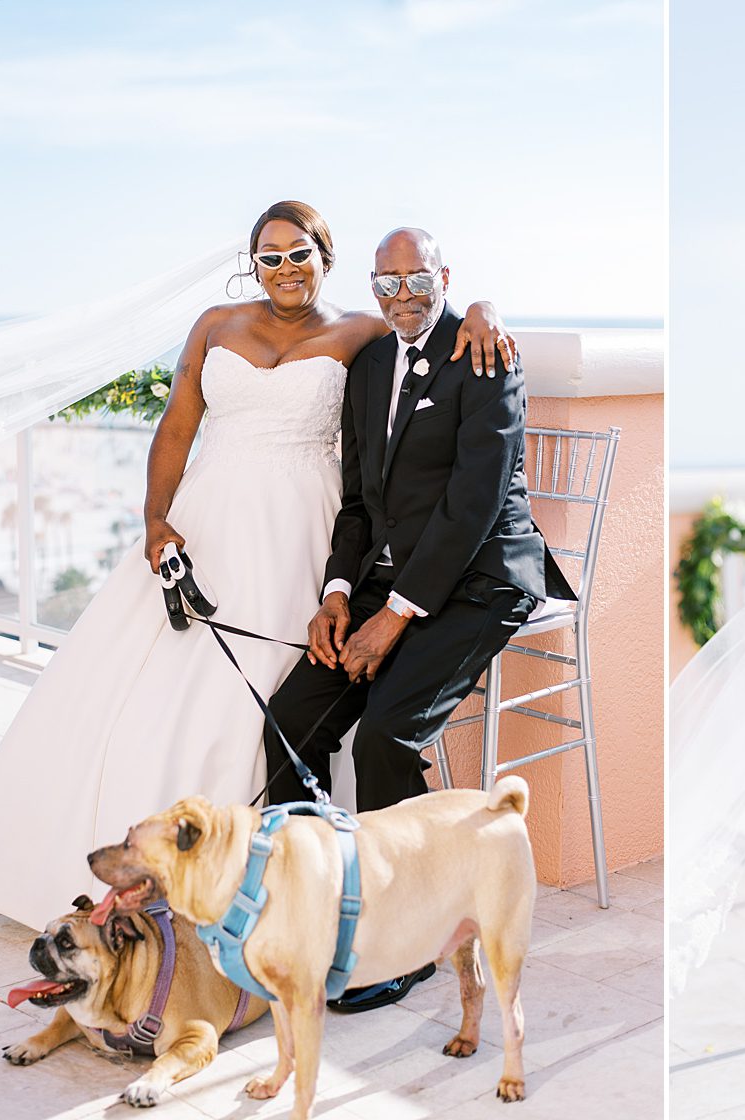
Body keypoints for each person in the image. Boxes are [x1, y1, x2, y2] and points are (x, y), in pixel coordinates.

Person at [0, 201, 516, 931]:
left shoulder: (360, 329)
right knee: (136, 687)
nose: (286, 269)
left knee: (274, 694)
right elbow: (178, 422)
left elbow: (430, 319)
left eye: (300, 254)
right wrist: (155, 518)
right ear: (253, 263)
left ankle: (298, 880)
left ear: (326, 260)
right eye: (270, 256)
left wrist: (483, 306)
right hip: (211, 510)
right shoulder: (215, 324)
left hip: (302, 518)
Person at [261, 227, 574, 1013]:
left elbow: (472, 508)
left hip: (479, 579)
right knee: (290, 720)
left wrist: (393, 621)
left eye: (417, 280)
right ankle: (310, 899)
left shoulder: (484, 355)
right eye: (386, 283)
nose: (402, 297)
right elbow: (361, 500)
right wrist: (339, 595)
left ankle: (406, 940)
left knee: (386, 735)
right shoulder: (368, 367)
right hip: (387, 577)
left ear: (445, 277)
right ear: (371, 286)